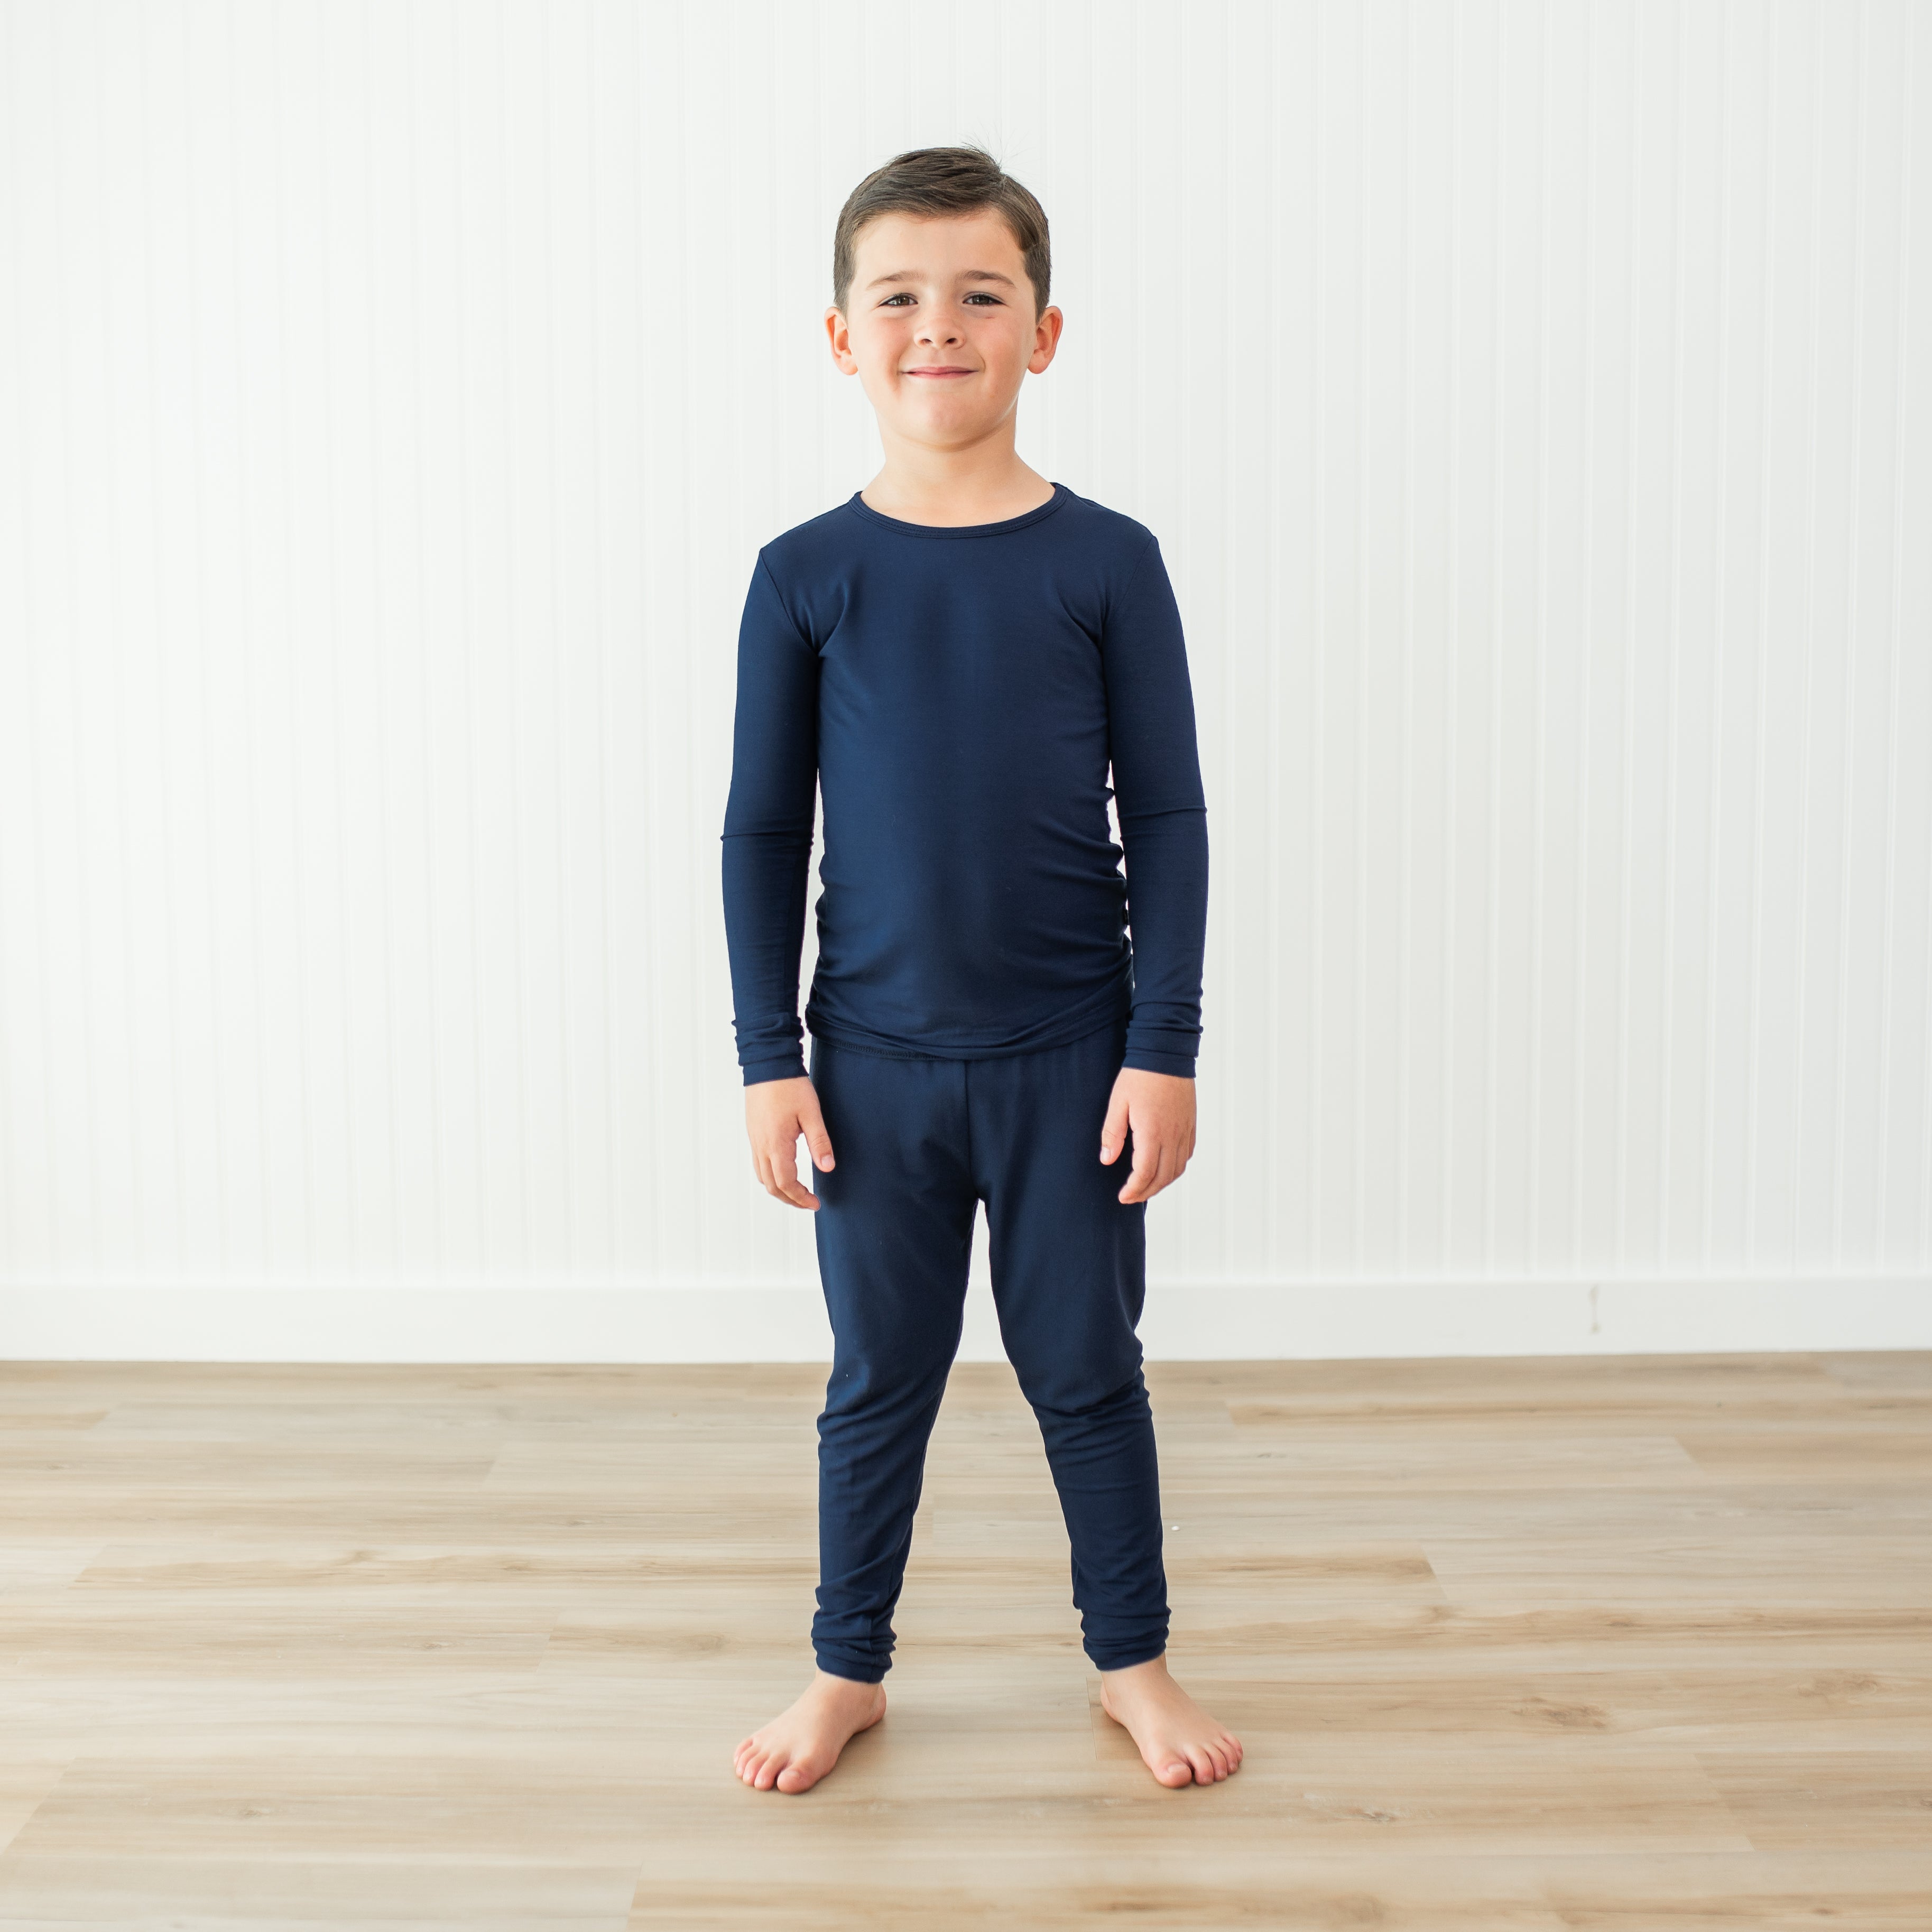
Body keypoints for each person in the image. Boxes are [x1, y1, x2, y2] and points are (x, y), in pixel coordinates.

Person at [720, 144, 1242, 1797]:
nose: (937, 325)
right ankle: (845, 1667)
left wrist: (1165, 1044)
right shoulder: (805, 573)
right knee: (878, 1384)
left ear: (1045, 330)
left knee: (1089, 1375)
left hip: (1071, 1062)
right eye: (899, 296)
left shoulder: (1107, 559)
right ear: (839, 337)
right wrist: (767, 1055)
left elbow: (1165, 812)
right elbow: (758, 834)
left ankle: (1134, 1664)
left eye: (979, 295)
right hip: (868, 1066)